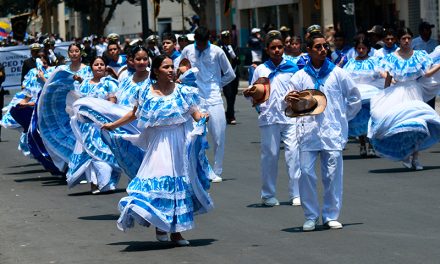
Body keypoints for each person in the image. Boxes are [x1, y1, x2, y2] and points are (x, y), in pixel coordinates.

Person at [101, 54, 213, 246]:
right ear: (156, 71)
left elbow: (195, 114)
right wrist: (112, 125)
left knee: (178, 186)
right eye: (166, 67)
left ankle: (177, 233)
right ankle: (161, 226)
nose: (171, 70)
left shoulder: (184, 92)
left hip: (178, 144)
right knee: (159, 185)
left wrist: (203, 116)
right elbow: (134, 114)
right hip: (157, 145)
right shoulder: (146, 92)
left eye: (172, 67)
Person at [285, 32, 361, 231]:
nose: (323, 50)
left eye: (325, 46)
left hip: (332, 132)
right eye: (318, 47)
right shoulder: (300, 76)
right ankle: (311, 215)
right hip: (308, 132)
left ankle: (330, 214)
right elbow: (289, 102)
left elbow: (355, 99)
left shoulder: (338, 74)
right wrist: (290, 99)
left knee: (333, 174)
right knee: (306, 172)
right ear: (308, 50)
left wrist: (343, 118)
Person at [368, 27, 440, 170]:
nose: (406, 41)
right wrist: (385, 94)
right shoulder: (392, 57)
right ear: (399, 40)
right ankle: (406, 155)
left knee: (418, 125)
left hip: (415, 91)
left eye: (409, 38)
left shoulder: (420, 55)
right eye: (403, 38)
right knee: (404, 126)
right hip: (398, 92)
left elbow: (426, 74)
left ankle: (416, 158)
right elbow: (388, 77)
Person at [244, 30, 301, 207]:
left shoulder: (293, 67)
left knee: (294, 154)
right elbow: (251, 93)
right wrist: (254, 98)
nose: (277, 50)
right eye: (273, 48)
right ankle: (268, 194)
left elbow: (300, 88)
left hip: (290, 116)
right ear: (267, 50)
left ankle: (296, 193)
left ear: (284, 48)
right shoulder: (261, 70)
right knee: (270, 155)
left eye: (279, 47)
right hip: (269, 117)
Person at [180, 26, 236, 183]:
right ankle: (200, 169)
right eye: (198, 43)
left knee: (218, 135)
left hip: (213, 99)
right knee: (194, 136)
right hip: (195, 99)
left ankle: (217, 170)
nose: (200, 46)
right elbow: (180, 70)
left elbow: (230, 74)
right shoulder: (188, 50)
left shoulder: (217, 51)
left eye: (203, 43)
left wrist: (218, 85)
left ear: (208, 40)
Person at [68, 56, 121, 193]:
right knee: (91, 155)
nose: (99, 67)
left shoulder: (109, 83)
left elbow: (112, 103)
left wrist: (107, 119)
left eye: (102, 64)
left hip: (104, 124)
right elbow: (81, 102)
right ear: (91, 67)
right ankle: (94, 183)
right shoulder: (85, 84)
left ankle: (106, 182)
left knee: (105, 153)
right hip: (88, 126)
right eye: (96, 64)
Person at [343, 36, 383, 157]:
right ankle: (362, 144)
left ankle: (371, 144)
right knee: (357, 119)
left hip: (371, 94)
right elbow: (345, 78)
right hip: (357, 95)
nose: (361, 50)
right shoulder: (351, 63)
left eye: (363, 48)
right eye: (359, 48)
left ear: (368, 48)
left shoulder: (374, 62)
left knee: (371, 120)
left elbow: (381, 74)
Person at [412, 21, 439, 109]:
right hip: (419, 77)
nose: (429, 32)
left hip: (432, 77)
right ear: (420, 32)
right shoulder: (414, 43)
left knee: (431, 102)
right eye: (426, 30)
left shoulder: (435, 43)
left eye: (430, 30)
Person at [219, 30, 240, 125]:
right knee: (228, 95)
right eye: (225, 38)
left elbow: (239, 61)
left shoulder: (235, 47)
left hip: (235, 74)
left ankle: (228, 113)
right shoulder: (220, 48)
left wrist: (234, 55)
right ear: (222, 39)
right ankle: (231, 116)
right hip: (225, 76)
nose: (227, 40)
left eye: (228, 38)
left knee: (233, 95)